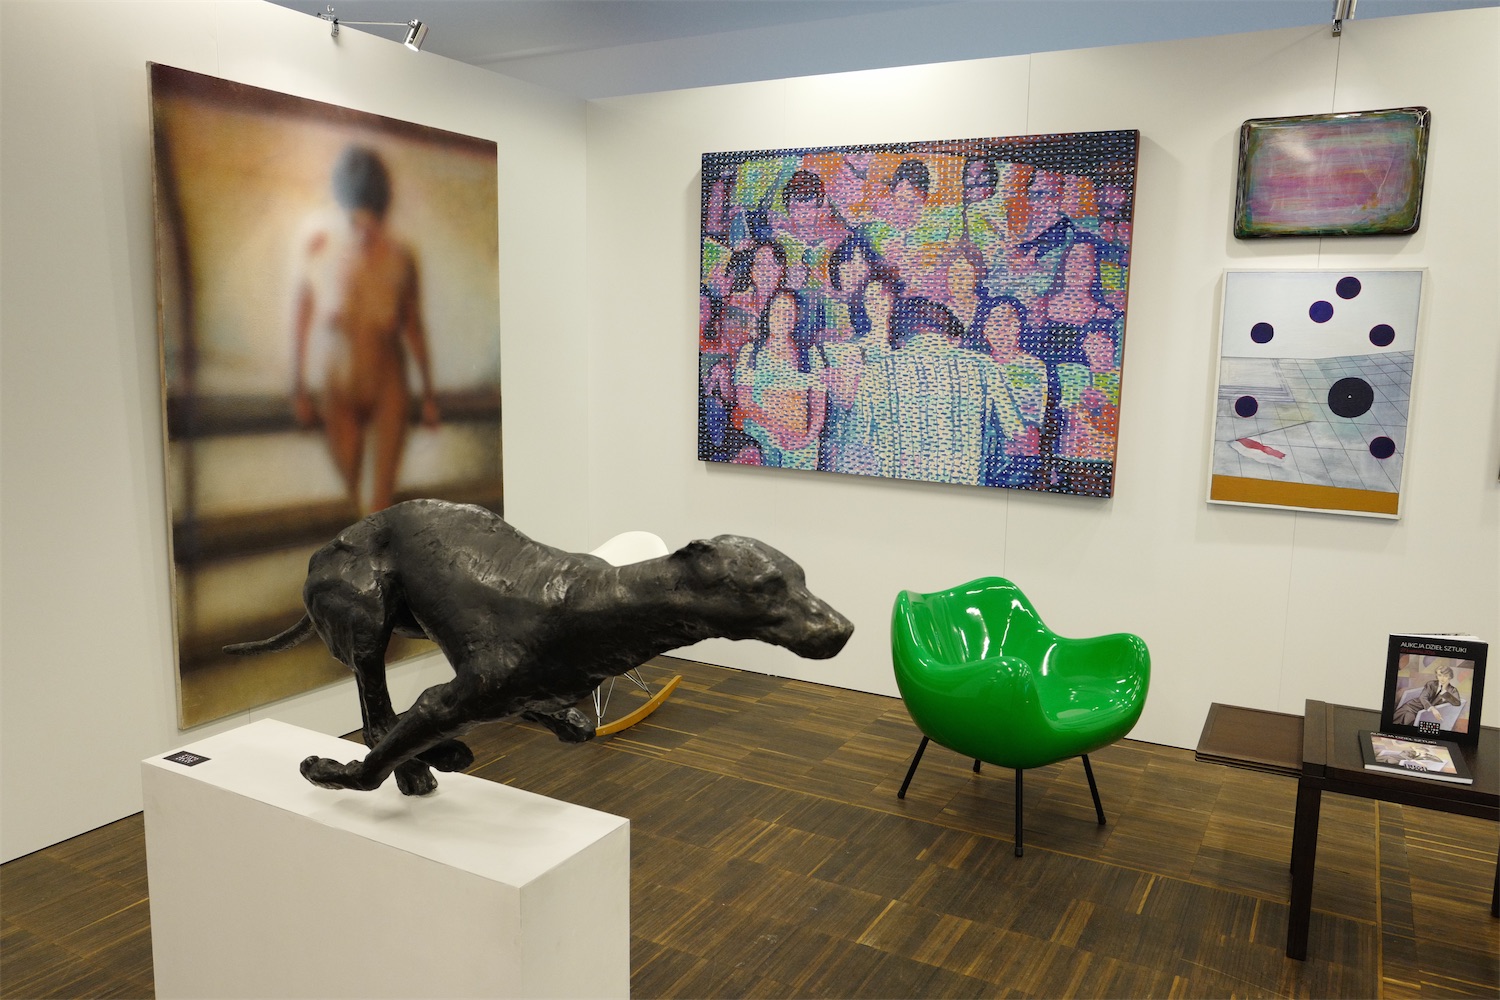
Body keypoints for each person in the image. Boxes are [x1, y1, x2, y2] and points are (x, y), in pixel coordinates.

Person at [292, 145, 438, 515]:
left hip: (388, 384)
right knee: (351, 503)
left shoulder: (401, 257)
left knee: (379, 506)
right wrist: (299, 387)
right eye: (357, 220)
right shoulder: (321, 250)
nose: (365, 231)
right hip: (338, 387)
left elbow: (413, 325)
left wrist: (429, 394)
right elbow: (302, 316)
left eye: (372, 220)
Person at [844, 295, 1020, 485]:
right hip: (963, 487)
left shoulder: (875, 371)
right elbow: (1015, 432)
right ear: (949, 334)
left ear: (899, 339)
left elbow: (857, 441)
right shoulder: (985, 366)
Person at [733, 290, 827, 470]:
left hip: (800, 443)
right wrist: (779, 430)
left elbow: (818, 407)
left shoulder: (811, 355)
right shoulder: (751, 352)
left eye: (788, 313)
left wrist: (806, 439)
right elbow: (745, 402)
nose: (780, 318)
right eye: (776, 311)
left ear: (797, 318)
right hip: (761, 437)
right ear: (768, 314)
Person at [974, 297, 1047, 487]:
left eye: (1009, 322)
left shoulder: (1032, 366)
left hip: (1016, 457)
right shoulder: (976, 365)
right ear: (984, 328)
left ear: (1019, 327)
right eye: (995, 322)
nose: (1002, 330)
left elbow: (1033, 419)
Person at [1391, 660, 1464, 729]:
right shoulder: (1431, 684)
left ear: (1450, 677)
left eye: (1445, 676)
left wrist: (1445, 693)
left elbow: (1457, 703)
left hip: (1424, 712)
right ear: (1437, 676)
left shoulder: (1453, 690)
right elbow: (1423, 697)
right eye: (1440, 675)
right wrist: (1432, 709)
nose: (1442, 678)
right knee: (1404, 716)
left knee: (1410, 719)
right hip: (1415, 706)